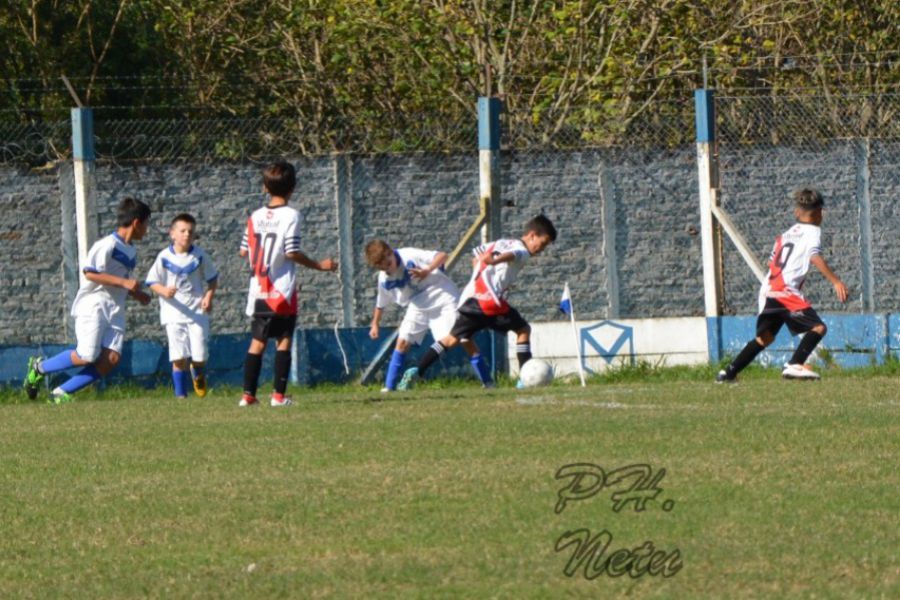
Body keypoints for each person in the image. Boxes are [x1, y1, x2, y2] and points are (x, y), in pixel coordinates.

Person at [398, 214, 557, 390]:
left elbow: (476, 257)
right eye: (542, 244)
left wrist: (484, 276)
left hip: (470, 299)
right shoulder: (522, 251)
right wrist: (495, 262)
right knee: (523, 330)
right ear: (532, 235)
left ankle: (416, 372)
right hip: (490, 302)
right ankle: (524, 380)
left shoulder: (499, 243)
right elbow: (512, 255)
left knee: (451, 339)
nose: (540, 249)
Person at [23, 197, 153, 403]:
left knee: (111, 358)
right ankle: (39, 368)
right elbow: (90, 273)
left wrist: (137, 294)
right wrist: (125, 283)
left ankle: (60, 394)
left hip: (115, 308)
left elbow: (121, 281)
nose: (147, 229)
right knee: (87, 355)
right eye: (146, 224)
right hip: (94, 304)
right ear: (136, 223)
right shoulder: (107, 244)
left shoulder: (131, 250)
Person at [716, 188, 848, 383]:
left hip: (769, 289)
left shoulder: (785, 234)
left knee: (765, 338)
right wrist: (836, 281)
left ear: (797, 212)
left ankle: (728, 373)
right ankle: (795, 364)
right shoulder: (813, 231)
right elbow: (814, 256)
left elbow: (773, 261)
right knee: (819, 328)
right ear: (821, 212)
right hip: (785, 291)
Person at [238, 159, 337, 407]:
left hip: (258, 289)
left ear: (264, 187)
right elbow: (291, 251)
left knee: (257, 341)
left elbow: (243, 251)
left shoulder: (255, 216)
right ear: (293, 188)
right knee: (284, 338)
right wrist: (318, 265)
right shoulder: (292, 215)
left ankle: (248, 395)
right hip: (281, 289)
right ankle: (278, 396)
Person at [365, 240, 493, 391]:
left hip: (442, 295)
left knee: (463, 337)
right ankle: (389, 387)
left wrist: (427, 270)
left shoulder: (408, 255)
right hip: (418, 304)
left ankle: (488, 382)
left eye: (389, 260)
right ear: (377, 266)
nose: (388, 266)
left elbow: (442, 256)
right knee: (402, 342)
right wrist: (375, 323)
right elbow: (381, 302)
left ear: (391, 251)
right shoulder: (384, 279)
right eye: (383, 266)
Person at [145, 213, 218, 399]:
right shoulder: (163, 257)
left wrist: (208, 297)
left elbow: (212, 279)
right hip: (173, 313)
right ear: (172, 234)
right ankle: (181, 395)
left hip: (196, 312)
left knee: (200, 356)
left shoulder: (200, 255)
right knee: (178, 356)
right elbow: (152, 281)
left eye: (190, 231)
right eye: (182, 230)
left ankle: (198, 372)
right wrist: (163, 290)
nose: (187, 234)